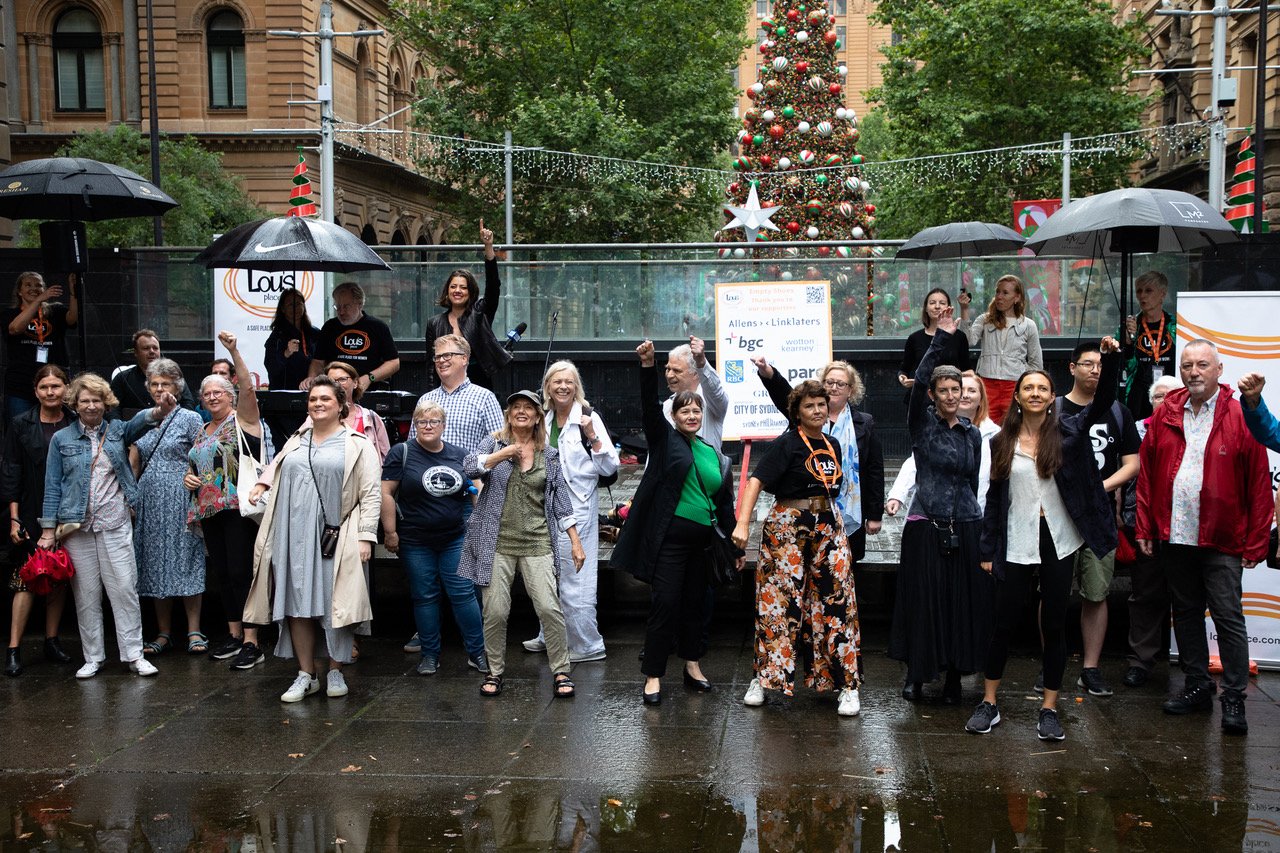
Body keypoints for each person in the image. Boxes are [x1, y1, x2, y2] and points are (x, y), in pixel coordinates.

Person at [967, 335, 1121, 742]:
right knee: (1003, 624)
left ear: (1053, 396)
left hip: (1058, 539)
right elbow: (995, 499)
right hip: (1015, 538)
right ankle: (989, 702)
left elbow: (1104, 397)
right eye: (1028, 388)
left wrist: (1111, 358)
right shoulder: (1000, 441)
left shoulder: (1071, 431)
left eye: (1042, 388)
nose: (1035, 393)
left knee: (1054, 625)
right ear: (1017, 397)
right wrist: (987, 550)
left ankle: (1049, 708)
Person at [1137, 341, 1271, 736]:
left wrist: (1257, 541)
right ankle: (1196, 687)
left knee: (1228, 617)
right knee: (1187, 613)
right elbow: (1147, 472)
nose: (1193, 372)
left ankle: (1233, 697)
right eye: (1187, 365)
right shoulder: (1166, 412)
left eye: (1202, 365)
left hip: (1223, 537)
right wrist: (1145, 527)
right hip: (1176, 534)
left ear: (1219, 369)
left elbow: (1259, 483)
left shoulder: (1239, 412)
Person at [611, 342, 740, 706]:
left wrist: (733, 548)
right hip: (670, 540)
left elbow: (723, 503)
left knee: (695, 605)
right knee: (665, 603)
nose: (692, 415)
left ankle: (693, 665)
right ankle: (653, 675)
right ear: (676, 416)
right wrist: (647, 366)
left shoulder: (713, 453)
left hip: (704, 544)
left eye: (697, 410)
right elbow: (650, 410)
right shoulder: (667, 442)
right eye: (685, 411)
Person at [244, 376, 382, 703]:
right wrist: (261, 487)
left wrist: (366, 537)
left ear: (340, 406)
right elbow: (275, 471)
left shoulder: (357, 443)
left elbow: (371, 494)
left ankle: (335, 669)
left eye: (326, 399)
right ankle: (306, 674)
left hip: (338, 534)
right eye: (313, 399)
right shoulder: (295, 441)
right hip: (292, 535)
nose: (318, 403)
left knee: (336, 603)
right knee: (296, 604)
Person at [733, 380, 863, 716]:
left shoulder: (832, 443)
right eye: (810, 406)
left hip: (828, 525)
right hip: (788, 526)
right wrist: (743, 524)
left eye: (821, 404)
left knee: (838, 601)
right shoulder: (786, 444)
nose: (818, 410)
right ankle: (763, 679)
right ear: (797, 412)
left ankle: (846, 684)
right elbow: (755, 482)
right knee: (778, 604)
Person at [39, 372, 177, 679]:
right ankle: (93, 657)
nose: (91, 406)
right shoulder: (62, 439)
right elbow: (52, 487)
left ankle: (134, 655)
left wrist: (160, 410)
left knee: (124, 590)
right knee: (86, 595)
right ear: (74, 404)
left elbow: (143, 421)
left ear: (106, 402)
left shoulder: (117, 431)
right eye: (85, 400)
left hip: (114, 523)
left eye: (96, 400)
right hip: (77, 529)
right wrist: (48, 531)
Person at [886, 313, 991, 704]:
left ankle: (951, 678)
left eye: (957, 389)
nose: (952, 396)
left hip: (965, 524)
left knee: (958, 604)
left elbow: (971, 479)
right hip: (926, 524)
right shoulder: (922, 426)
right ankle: (917, 672)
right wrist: (941, 340)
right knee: (924, 601)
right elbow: (918, 383)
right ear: (933, 394)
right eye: (944, 390)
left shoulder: (973, 433)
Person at [458, 390, 585, 699]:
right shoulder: (494, 442)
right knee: (496, 611)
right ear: (509, 413)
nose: (522, 411)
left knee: (548, 607)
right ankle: (495, 671)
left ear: (538, 416)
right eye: (516, 407)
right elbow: (468, 467)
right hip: (496, 542)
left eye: (528, 407)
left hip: (538, 541)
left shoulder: (549, 454)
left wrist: (575, 541)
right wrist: (503, 454)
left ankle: (561, 670)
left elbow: (560, 499)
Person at [401, 333, 503, 655]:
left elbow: (499, 445)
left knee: (465, 576)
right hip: (425, 500)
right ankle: (428, 633)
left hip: (467, 499)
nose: (442, 361)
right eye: (437, 356)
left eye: (448, 355)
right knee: (425, 581)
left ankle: (473, 641)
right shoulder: (425, 400)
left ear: (464, 359)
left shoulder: (483, 397)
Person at [519, 361, 619, 662]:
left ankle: (587, 644)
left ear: (577, 387)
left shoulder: (588, 418)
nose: (563, 387)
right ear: (548, 387)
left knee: (575, 574)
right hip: (542, 505)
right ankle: (549, 633)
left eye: (569, 382)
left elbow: (610, 467)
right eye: (557, 381)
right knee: (546, 572)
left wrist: (593, 437)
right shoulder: (543, 419)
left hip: (576, 507)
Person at [1056, 341, 1140, 698]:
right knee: (1054, 591)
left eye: (1100, 365)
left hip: (1100, 514)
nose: (1094, 370)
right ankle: (1052, 663)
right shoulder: (1053, 409)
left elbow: (1133, 464)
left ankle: (1090, 668)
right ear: (1071, 368)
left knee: (1096, 592)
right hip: (1059, 514)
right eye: (1087, 363)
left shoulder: (1118, 412)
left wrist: (1097, 487)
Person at [381, 402, 487, 676]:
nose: (428, 426)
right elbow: (386, 493)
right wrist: (390, 532)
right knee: (425, 597)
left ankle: (477, 653)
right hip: (415, 541)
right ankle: (430, 655)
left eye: (434, 421)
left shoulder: (459, 454)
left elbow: (473, 489)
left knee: (463, 594)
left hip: (454, 537)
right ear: (415, 425)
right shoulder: (401, 453)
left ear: (444, 425)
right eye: (422, 421)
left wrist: (480, 525)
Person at [184, 332, 269, 671]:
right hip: (208, 510)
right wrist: (187, 479)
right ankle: (234, 636)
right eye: (206, 393)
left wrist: (233, 351)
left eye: (218, 391)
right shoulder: (202, 429)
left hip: (238, 508)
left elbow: (249, 388)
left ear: (231, 396)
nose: (212, 396)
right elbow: (196, 468)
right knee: (221, 573)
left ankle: (252, 641)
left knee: (239, 571)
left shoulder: (243, 421)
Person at [754, 358, 883, 564]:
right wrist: (769, 373)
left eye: (840, 384)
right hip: (806, 509)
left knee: (841, 569)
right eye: (829, 382)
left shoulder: (864, 423)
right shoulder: (806, 415)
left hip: (850, 508)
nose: (834, 387)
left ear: (850, 390)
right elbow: (785, 395)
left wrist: (875, 514)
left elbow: (874, 470)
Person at [130, 359, 207, 656]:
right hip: (149, 499)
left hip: (181, 497)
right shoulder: (143, 418)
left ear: (178, 386)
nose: (160, 389)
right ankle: (163, 633)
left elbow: (202, 455)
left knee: (186, 558)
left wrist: (196, 481)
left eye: (166, 383)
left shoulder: (189, 418)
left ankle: (194, 630)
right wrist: (131, 499)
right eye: (155, 384)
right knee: (154, 562)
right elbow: (133, 458)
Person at [2, 365, 74, 676]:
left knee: (58, 576)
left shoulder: (75, 421)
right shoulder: (21, 424)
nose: (50, 392)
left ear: (65, 389)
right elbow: (11, 470)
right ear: (35, 391)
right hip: (31, 509)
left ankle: (51, 640)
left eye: (56, 386)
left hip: (68, 510)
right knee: (25, 579)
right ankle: (14, 648)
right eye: (44, 387)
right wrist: (14, 519)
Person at [1122, 374, 1182, 689]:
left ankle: (1191, 663)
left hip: (1186, 528)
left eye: (1171, 395)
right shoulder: (1135, 430)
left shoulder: (1191, 430)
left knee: (1188, 597)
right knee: (1146, 594)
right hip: (1145, 525)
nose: (1165, 400)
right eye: (1159, 396)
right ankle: (1140, 661)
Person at [887, 372, 999, 515]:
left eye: (972, 390)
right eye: (961, 389)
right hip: (934, 513)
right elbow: (914, 464)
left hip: (977, 513)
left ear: (981, 397)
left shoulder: (995, 434)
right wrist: (897, 495)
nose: (965, 395)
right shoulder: (931, 428)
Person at [423, 221, 511, 391]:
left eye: (463, 287)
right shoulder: (434, 323)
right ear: (447, 290)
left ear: (470, 292)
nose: (458, 291)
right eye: (453, 286)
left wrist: (488, 247)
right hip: (445, 387)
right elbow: (430, 365)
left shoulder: (479, 313)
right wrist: (431, 396)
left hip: (479, 383)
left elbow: (493, 287)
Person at [968, 275, 1042, 425]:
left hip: (1014, 385)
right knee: (984, 428)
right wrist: (964, 311)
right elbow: (969, 341)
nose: (999, 297)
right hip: (987, 383)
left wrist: (1024, 377)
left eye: (1005, 293)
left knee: (1012, 430)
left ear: (1017, 297)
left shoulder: (1028, 325)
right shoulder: (985, 320)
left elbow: (1036, 362)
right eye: (997, 292)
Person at [4, 272, 77, 419]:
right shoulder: (10, 313)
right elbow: (15, 329)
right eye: (28, 285)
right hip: (21, 383)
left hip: (53, 382)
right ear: (19, 291)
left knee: (57, 426)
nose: (34, 288)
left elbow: (72, 319)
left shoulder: (54, 310)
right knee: (19, 429)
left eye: (38, 285)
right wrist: (38, 301)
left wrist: (73, 292)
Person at [308, 282, 400, 392]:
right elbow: (318, 362)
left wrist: (369, 378)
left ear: (360, 304)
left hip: (368, 390)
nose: (341, 312)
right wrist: (312, 379)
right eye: (337, 306)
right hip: (335, 391)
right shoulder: (329, 327)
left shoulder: (378, 327)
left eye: (346, 306)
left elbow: (394, 363)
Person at [301, 362, 391, 463]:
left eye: (342, 379)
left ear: (355, 383)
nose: (337, 384)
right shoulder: (315, 418)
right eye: (332, 381)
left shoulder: (371, 418)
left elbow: (386, 459)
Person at [897, 288, 970, 400]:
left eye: (942, 303)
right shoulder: (914, 338)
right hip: (921, 397)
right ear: (926, 308)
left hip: (951, 398)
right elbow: (904, 369)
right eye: (932, 303)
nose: (937, 306)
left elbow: (967, 370)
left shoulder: (959, 337)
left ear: (949, 307)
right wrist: (902, 378)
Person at [1121, 271, 1175, 421]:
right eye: (1139, 290)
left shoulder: (1175, 325)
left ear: (1162, 294)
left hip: (1170, 391)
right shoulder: (1130, 325)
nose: (1142, 295)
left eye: (1148, 290)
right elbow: (1121, 364)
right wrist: (1126, 342)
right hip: (1138, 395)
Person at [110, 329, 198, 416]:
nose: (152, 351)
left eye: (155, 348)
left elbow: (188, 404)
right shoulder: (122, 379)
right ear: (136, 352)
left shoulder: (173, 375)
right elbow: (112, 408)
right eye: (146, 348)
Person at [663, 336, 729, 450]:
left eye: (677, 370)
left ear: (695, 373)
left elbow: (715, 390)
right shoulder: (666, 406)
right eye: (668, 369)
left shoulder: (711, 403)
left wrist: (701, 362)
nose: (669, 375)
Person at [264, 288, 321, 391]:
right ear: (283, 308)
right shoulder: (277, 336)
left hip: (310, 391)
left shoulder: (315, 333)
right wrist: (286, 353)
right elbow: (271, 368)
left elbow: (322, 362)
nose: (296, 308)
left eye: (299, 304)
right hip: (284, 393)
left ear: (304, 306)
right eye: (290, 305)